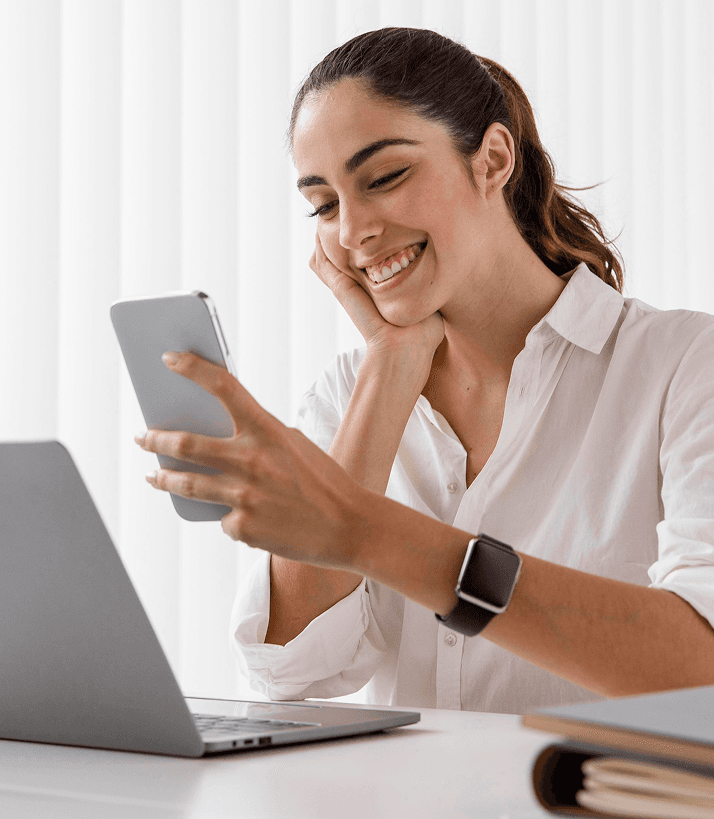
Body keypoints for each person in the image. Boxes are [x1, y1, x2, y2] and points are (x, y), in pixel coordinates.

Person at [135, 27, 714, 714]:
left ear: (492, 160)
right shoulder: (349, 394)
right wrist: (389, 369)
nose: (352, 231)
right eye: (324, 204)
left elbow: (700, 663)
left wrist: (366, 531)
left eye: (384, 178)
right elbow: (292, 670)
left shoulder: (685, 365)